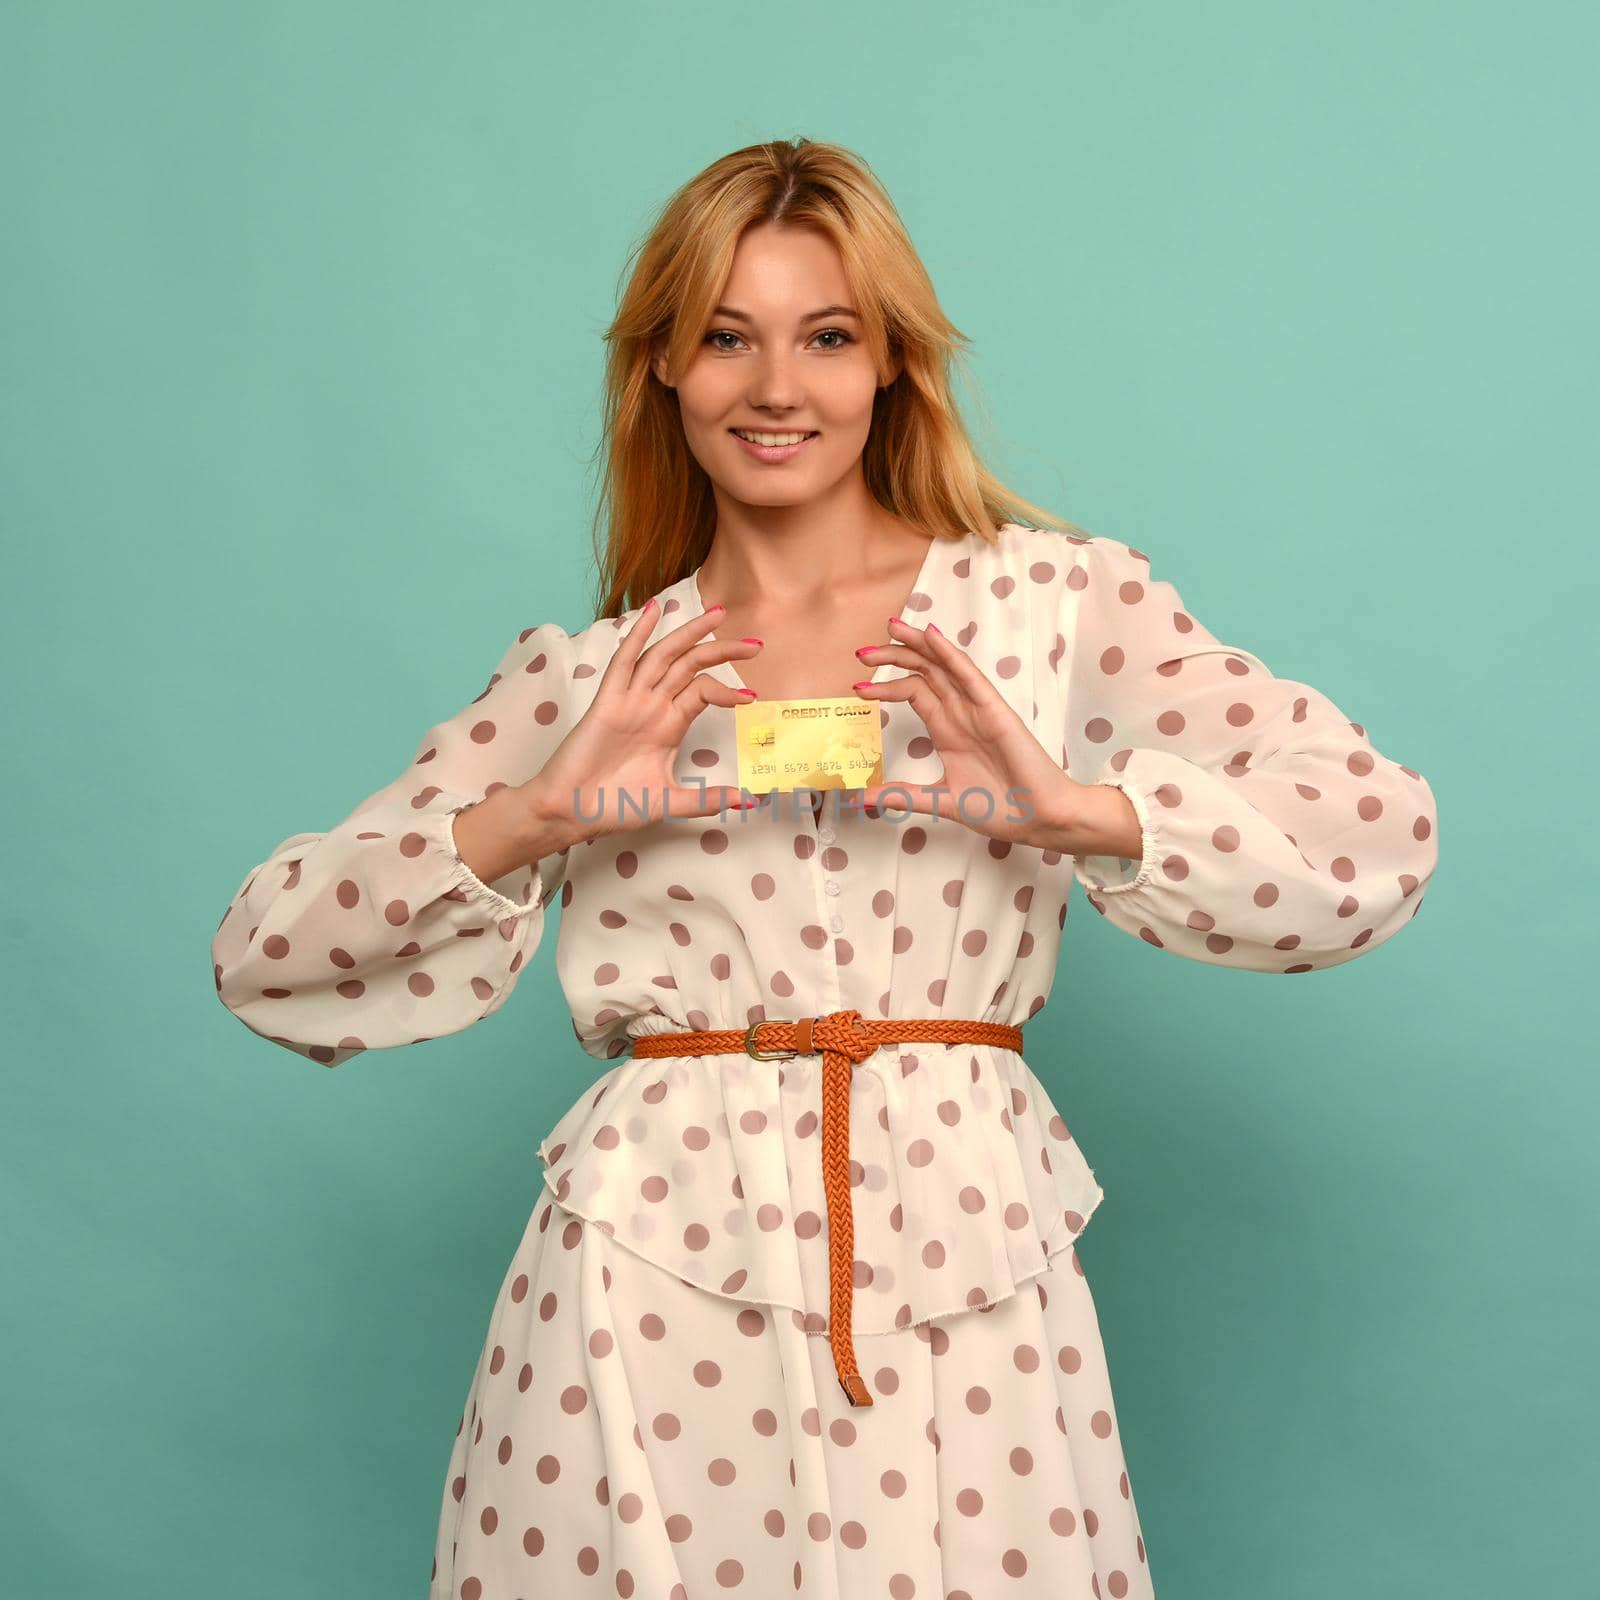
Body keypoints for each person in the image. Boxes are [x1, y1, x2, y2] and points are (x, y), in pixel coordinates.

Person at [210, 138, 1439, 1600]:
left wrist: (1076, 810)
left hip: (963, 1261)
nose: (776, 387)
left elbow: (1376, 830)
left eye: (828, 337)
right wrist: (542, 812)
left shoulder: (1051, 606)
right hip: (645, 1280)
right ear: (662, 365)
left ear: (892, 366)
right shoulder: (600, 676)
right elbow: (266, 956)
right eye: (726, 337)